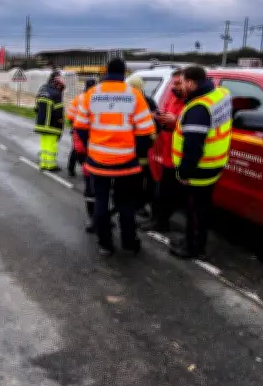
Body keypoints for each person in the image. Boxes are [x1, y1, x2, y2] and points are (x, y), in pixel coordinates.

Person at [76, 58, 156, 255]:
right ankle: (129, 243)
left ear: (105, 72)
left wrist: (91, 146)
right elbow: (146, 131)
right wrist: (138, 153)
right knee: (126, 204)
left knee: (101, 202)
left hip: (98, 161)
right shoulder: (135, 95)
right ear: (124, 73)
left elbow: (80, 127)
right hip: (126, 162)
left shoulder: (91, 95)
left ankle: (105, 244)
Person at [170, 65, 233, 259]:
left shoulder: (198, 108)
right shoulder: (221, 94)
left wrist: (183, 173)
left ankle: (193, 247)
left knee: (194, 211)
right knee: (203, 208)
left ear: (191, 83)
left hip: (199, 169)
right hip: (216, 163)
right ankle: (198, 242)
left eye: (183, 83)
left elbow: (193, 147)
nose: (181, 87)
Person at [149, 68, 186, 232]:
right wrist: (159, 115)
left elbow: (194, 125)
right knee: (162, 190)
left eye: (178, 83)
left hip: (180, 154)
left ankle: (162, 222)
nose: (175, 87)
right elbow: (165, 110)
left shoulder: (192, 100)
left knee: (170, 192)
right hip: (165, 151)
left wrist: (175, 120)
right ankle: (159, 221)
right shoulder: (172, 95)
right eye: (173, 83)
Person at [126, 75, 159, 217]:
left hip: (140, 147)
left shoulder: (134, 101)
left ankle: (139, 204)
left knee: (140, 179)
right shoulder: (147, 101)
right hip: (141, 146)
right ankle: (139, 205)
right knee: (140, 179)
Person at [34, 70, 66, 172]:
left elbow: (36, 108)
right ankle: (51, 165)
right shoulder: (56, 94)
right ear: (56, 83)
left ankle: (44, 164)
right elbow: (59, 113)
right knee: (52, 145)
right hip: (52, 125)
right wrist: (60, 127)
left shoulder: (42, 90)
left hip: (40, 124)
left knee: (44, 144)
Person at [67, 78, 97, 177]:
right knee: (90, 151)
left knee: (76, 149)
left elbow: (70, 115)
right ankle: (89, 170)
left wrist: (73, 125)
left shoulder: (79, 98)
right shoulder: (98, 98)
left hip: (78, 128)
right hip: (93, 129)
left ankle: (71, 169)